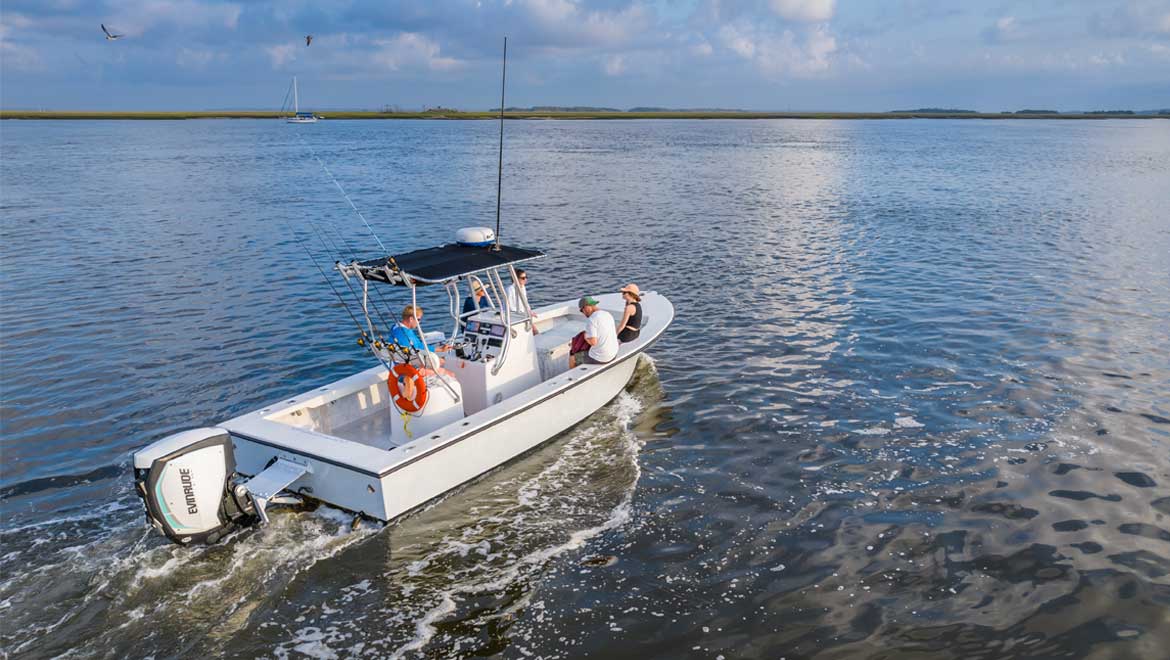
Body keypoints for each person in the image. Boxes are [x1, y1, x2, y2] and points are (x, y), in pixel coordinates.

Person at [390, 305, 454, 377]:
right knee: (450, 374)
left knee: (442, 361)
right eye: (418, 319)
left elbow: (418, 346)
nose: (419, 323)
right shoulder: (405, 334)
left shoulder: (396, 327)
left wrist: (440, 349)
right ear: (411, 319)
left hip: (402, 363)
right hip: (409, 369)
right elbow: (415, 353)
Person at [570, 296, 619, 368]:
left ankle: (573, 376)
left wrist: (586, 337)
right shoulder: (607, 314)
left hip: (602, 358)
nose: (583, 313)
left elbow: (593, 342)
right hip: (614, 353)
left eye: (581, 310)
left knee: (573, 358)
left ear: (586, 307)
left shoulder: (592, 319)